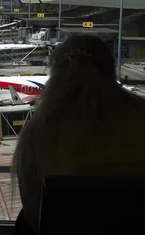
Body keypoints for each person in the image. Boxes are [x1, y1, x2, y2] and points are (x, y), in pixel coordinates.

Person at [11, 34, 145, 233]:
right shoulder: (139, 116)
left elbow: (33, 211)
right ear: (110, 69)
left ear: (56, 73)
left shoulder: (39, 130)